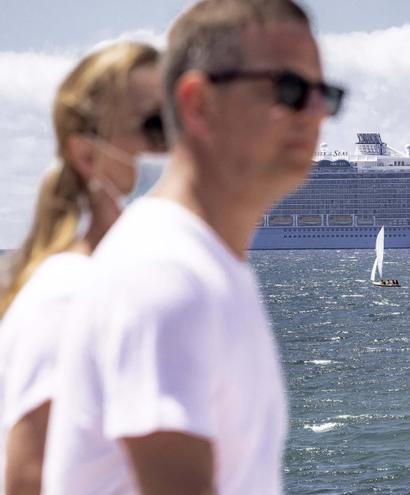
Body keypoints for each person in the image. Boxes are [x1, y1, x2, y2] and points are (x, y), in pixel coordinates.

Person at [43, 1, 343, 494]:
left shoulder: (205, 264)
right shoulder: (164, 275)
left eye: (325, 95)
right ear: (198, 103)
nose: (315, 114)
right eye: (288, 89)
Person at [0, 41, 164, 495]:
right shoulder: (70, 297)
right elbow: (27, 481)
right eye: (154, 126)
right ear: (87, 155)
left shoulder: (123, 283)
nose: (174, 145)